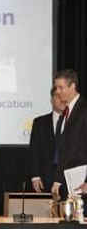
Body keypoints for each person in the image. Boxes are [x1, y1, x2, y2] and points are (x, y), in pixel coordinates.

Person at [50, 69, 87, 199]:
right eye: (56, 88)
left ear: (73, 86)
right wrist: (58, 180)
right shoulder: (64, 114)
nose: (57, 92)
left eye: (61, 87)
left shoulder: (84, 109)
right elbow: (63, 150)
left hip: (82, 182)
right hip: (69, 183)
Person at [30, 87, 66, 193]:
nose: (62, 99)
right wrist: (35, 176)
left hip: (70, 177)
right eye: (58, 96)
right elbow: (34, 150)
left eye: (64, 96)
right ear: (51, 99)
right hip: (45, 178)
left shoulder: (76, 122)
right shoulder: (39, 122)